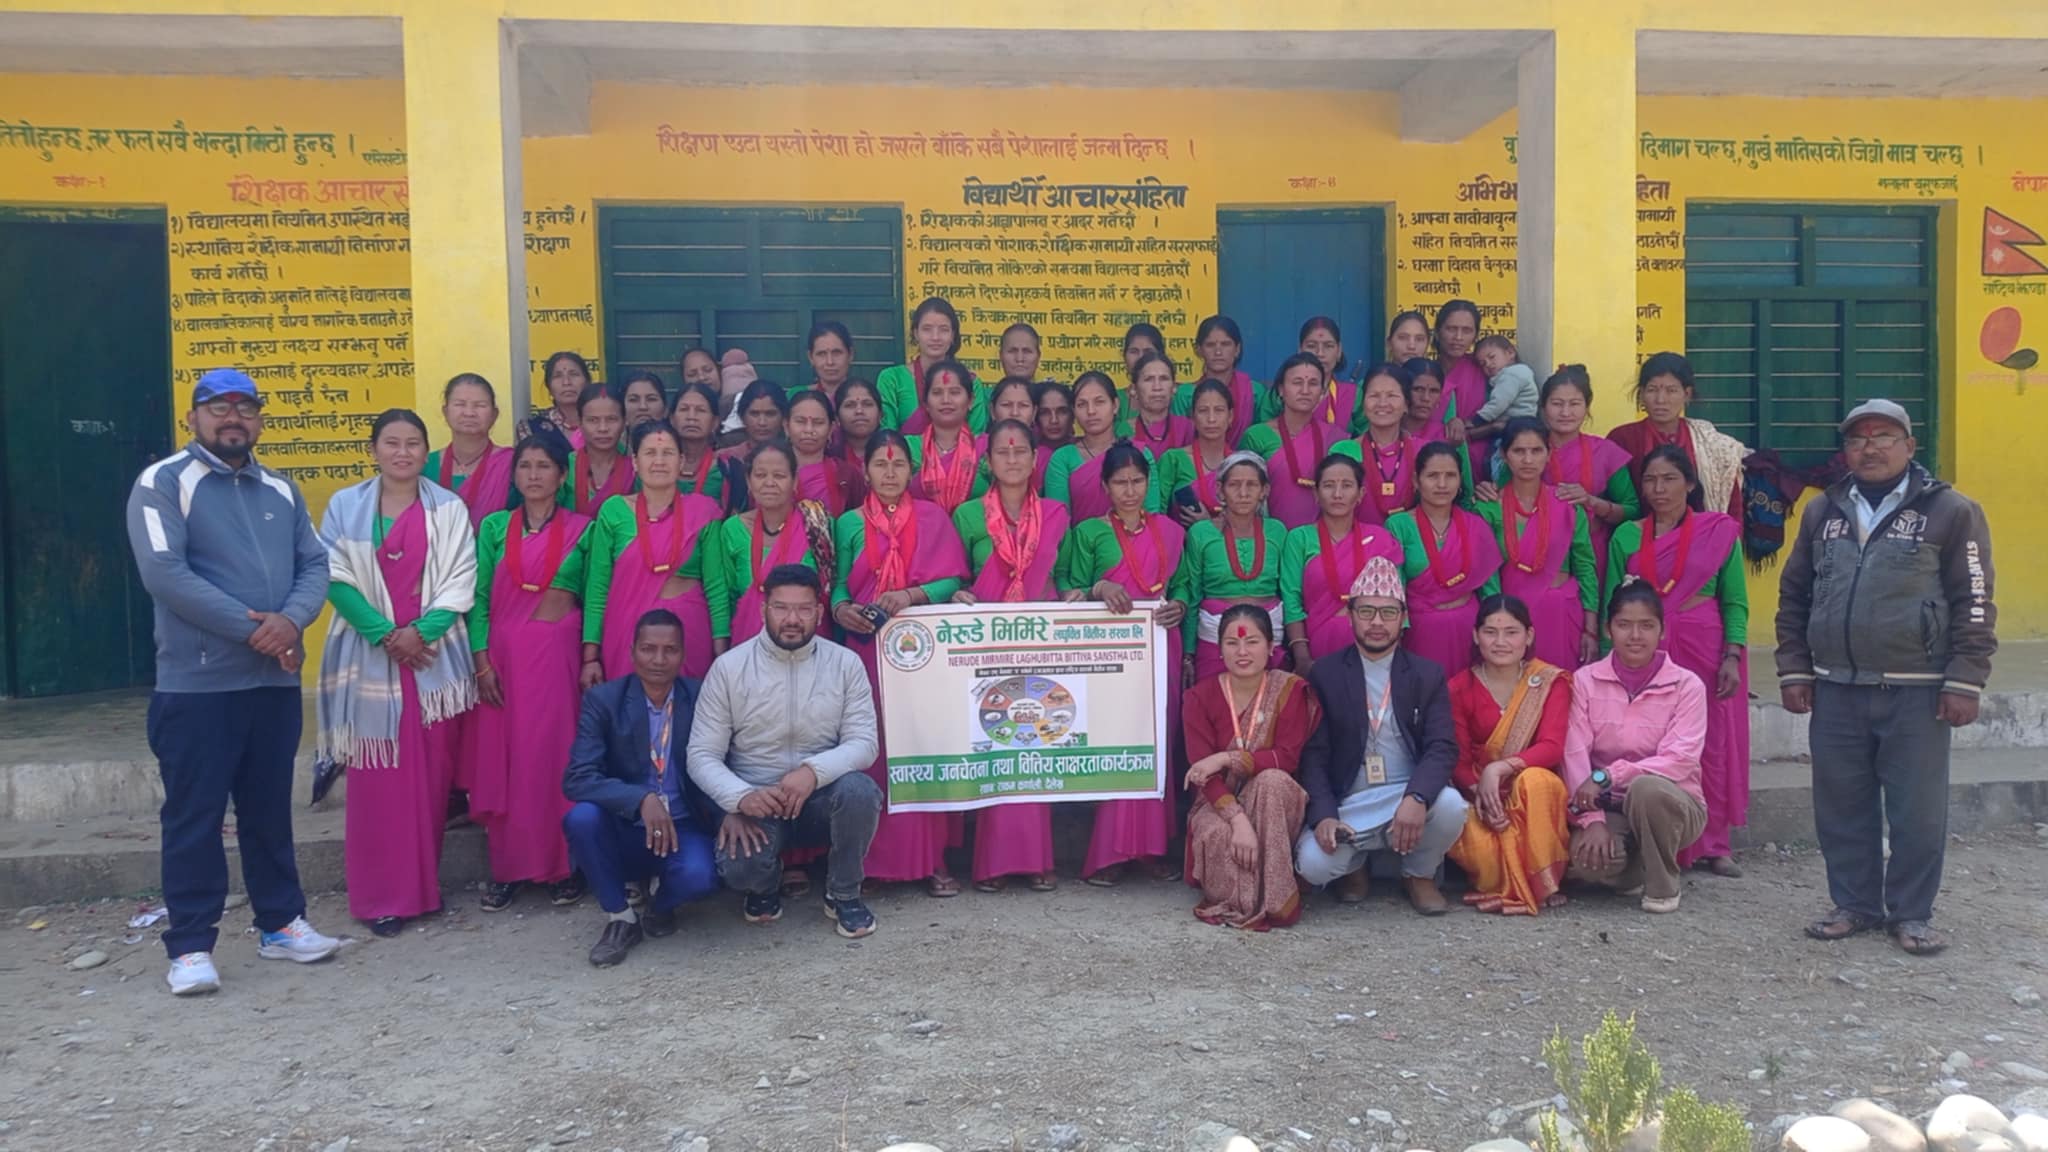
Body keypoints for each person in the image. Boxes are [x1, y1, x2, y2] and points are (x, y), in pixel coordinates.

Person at [126, 368, 339, 995]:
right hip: (197, 686)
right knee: (193, 817)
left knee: (269, 811)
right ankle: (191, 946)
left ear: (259, 419)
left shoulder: (281, 488)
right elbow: (164, 573)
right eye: (218, 407)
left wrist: (291, 620)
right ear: (192, 418)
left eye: (245, 407)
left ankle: (281, 924)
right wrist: (258, 630)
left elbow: (315, 564)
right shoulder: (164, 482)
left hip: (271, 684)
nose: (232, 418)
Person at [1777, 399, 1996, 956]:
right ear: (1845, 450)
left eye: (1883, 437)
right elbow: (1795, 594)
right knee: (1841, 806)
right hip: (1837, 688)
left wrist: (1965, 678)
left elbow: (1974, 600)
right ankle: (1854, 904)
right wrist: (1794, 667)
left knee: (1916, 811)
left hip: (1917, 690)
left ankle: (1912, 914)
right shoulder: (1822, 511)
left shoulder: (1952, 511)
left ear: (1909, 446)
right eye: (1858, 439)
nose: (1869, 448)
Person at [316, 408, 479, 938]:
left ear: (426, 452)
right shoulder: (345, 506)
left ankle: (421, 892)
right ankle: (380, 898)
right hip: (371, 657)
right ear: (374, 450)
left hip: (431, 661)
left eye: (413, 443)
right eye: (391, 442)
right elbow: (333, 576)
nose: (402, 452)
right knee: (377, 782)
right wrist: (387, 635)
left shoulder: (448, 508)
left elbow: (461, 578)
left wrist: (420, 633)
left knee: (428, 783)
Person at [688, 565, 885, 936]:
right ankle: (764, 885)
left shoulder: (845, 664)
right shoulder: (729, 668)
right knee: (739, 869)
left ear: (819, 612)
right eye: (781, 608)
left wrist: (812, 772)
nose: (792, 619)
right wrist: (740, 797)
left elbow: (864, 742)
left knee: (860, 792)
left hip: (821, 796)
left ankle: (843, 892)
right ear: (764, 609)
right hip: (758, 799)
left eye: (804, 609)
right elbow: (701, 754)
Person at [831, 431, 969, 895]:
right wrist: (841, 608)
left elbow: (954, 580)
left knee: (923, 747)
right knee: (873, 749)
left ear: (912, 471)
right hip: (867, 649)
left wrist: (911, 595)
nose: (889, 473)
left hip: (922, 654)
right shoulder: (849, 523)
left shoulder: (932, 517)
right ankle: (871, 863)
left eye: (898, 465)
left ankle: (931, 860)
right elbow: (839, 585)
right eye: (880, 464)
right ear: (865, 470)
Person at [1604, 446, 1749, 877]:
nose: (1659, 489)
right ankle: (1662, 842)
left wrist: (1733, 655)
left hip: (1706, 646)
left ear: (1689, 483)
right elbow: (1614, 603)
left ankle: (1714, 844)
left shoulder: (1717, 531)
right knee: (1653, 743)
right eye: (1650, 480)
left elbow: (1735, 601)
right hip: (1644, 648)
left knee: (1712, 742)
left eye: (1669, 479)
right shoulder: (1626, 536)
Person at [1293, 556, 1467, 914]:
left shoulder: (1426, 674)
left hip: (1404, 794)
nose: (1376, 622)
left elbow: (1442, 747)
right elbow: (1313, 754)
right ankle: (1354, 866)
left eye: (1388, 613)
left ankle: (1418, 874)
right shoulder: (1325, 674)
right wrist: (1324, 815)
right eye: (1366, 611)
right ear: (1350, 615)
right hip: (1351, 800)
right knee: (1312, 864)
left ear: (1403, 618)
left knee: (1451, 806)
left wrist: (1417, 797)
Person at [467, 435, 595, 911]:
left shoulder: (584, 529)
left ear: (562, 476)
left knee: (553, 759)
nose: (534, 475)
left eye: (544, 466)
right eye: (525, 466)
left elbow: (593, 597)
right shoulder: (495, 527)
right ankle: (509, 869)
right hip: (502, 665)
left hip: (557, 664)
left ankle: (564, 868)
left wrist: (590, 656)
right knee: (509, 764)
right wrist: (481, 660)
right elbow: (479, 598)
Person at [1059, 443, 1190, 885]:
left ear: (1149, 484)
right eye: (1120, 482)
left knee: (1156, 744)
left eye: (1137, 481)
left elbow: (1185, 584)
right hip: (1109, 656)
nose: (1129, 490)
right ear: (1105, 487)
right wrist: (1098, 588)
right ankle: (1110, 853)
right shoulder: (1088, 533)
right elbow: (1068, 586)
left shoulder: (1170, 531)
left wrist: (1181, 605)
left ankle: (1152, 850)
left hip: (1160, 646)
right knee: (1117, 745)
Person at [561, 609, 720, 966]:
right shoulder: (605, 701)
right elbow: (577, 777)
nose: (659, 660)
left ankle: (660, 907)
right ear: (632, 651)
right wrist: (640, 798)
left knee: (701, 876)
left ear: (683, 654)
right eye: (649, 649)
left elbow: (724, 762)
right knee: (581, 819)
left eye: (670, 650)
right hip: (628, 826)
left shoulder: (701, 698)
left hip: (683, 826)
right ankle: (621, 918)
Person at [952, 420, 1073, 891]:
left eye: (1021, 450)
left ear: (1035, 458)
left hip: (1040, 642)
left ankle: (1038, 859)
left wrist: (1075, 594)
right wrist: (959, 594)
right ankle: (992, 863)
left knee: (1036, 738)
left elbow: (1066, 575)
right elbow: (957, 574)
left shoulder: (1057, 513)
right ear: (987, 461)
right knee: (995, 740)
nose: (1012, 459)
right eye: (1002, 452)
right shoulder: (967, 516)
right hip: (986, 643)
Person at [1562, 583, 1708, 914]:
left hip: (1672, 804)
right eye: (1624, 625)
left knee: (1646, 788)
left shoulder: (1687, 686)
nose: (1635, 636)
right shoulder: (1585, 681)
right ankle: (1633, 869)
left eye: (1646, 625)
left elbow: (1679, 761)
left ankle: (1662, 885)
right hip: (1609, 804)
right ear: (1608, 629)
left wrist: (1609, 775)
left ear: (1662, 630)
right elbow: (1574, 754)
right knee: (1589, 861)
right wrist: (1593, 820)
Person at [1182, 604, 1322, 930]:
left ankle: (1277, 899)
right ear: (1219, 650)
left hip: (1276, 803)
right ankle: (1244, 901)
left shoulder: (1289, 690)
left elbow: (1287, 758)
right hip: (1218, 803)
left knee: (1272, 780)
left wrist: (1227, 758)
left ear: (1271, 647)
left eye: (1252, 642)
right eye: (1232, 643)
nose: (1242, 652)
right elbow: (1203, 775)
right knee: (1221, 834)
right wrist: (1238, 820)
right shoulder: (1199, 698)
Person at [1444, 595, 1573, 916]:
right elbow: (1458, 760)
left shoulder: (1549, 682)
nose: (1500, 642)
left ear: (1528, 636)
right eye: (1490, 632)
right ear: (1476, 636)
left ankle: (1541, 882)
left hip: (1532, 800)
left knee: (1538, 781)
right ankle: (1509, 884)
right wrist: (1483, 794)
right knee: (1477, 848)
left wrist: (1500, 768)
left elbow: (1552, 745)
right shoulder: (1459, 688)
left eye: (1511, 632)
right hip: (1478, 797)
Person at [583, 421, 728, 685]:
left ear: (681, 461)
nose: (659, 461)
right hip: (628, 630)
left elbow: (716, 585)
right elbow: (598, 586)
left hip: (687, 630)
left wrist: (721, 651)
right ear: (635, 462)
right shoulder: (614, 511)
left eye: (668, 453)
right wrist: (590, 656)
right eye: (650, 453)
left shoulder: (703, 511)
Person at [1476, 366, 1637, 588]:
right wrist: (1486, 491)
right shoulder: (1526, 451)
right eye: (1557, 404)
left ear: (1587, 407)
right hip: (1529, 553)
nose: (1565, 412)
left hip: (1592, 551)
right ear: (1543, 407)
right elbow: (1502, 497)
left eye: (1574, 404)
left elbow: (1633, 509)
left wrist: (1592, 502)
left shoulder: (1606, 452)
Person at [1476, 419, 1599, 670]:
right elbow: (1488, 577)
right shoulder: (1487, 508)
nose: (1528, 460)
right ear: (1504, 455)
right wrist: (1500, 626)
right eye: (1519, 451)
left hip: (1562, 615)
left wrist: (1591, 629)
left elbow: (1585, 567)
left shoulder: (1566, 504)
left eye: (1536, 451)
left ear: (1549, 453)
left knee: (1561, 688)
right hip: (1512, 620)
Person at [1387, 442, 1503, 674]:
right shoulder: (1398, 525)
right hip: (1419, 631)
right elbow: (1395, 588)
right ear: (1416, 480)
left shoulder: (1476, 525)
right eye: (1432, 476)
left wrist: (1495, 631)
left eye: (1450, 476)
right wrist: (1396, 633)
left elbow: (1491, 590)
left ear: (1460, 481)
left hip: (1468, 628)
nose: (1442, 484)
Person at [1282, 453, 1402, 664]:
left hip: (1373, 640)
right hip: (1319, 640)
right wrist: (1301, 655)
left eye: (1347, 485)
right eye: (1329, 485)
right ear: (1316, 493)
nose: (1337, 494)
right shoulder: (1299, 538)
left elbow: (1396, 598)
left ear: (1360, 494)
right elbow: (1291, 599)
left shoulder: (1380, 538)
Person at [1178, 452, 1287, 681]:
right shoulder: (1201, 533)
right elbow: (1193, 594)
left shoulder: (1277, 531)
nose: (1243, 493)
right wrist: (1188, 654)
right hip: (1213, 634)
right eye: (1235, 485)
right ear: (1220, 490)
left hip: (1270, 631)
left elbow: (1288, 592)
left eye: (1252, 485)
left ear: (1264, 490)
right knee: (1215, 697)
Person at [716, 441, 830, 647]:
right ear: (748, 481)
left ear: (795, 481)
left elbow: (832, 585)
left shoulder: (817, 525)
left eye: (779, 476)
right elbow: (726, 596)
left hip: (809, 642)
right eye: (760, 475)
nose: (769, 483)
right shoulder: (732, 529)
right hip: (748, 643)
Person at [1608, 352, 1746, 519]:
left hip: (1701, 532)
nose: (1661, 399)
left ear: (1687, 394)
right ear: (1642, 394)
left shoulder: (1714, 445)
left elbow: (1732, 504)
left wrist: (1727, 533)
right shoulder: (1622, 439)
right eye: (1652, 390)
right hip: (1640, 532)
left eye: (1671, 390)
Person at [1046, 372, 1161, 522]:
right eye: (1082, 404)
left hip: (1135, 537)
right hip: (1081, 537)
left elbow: (1152, 516)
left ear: (1115, 405)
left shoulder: (1140, 453)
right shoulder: (1063, 458)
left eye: (1099, 402)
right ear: (1074, 411)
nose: (1091, 411)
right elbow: (1058, 521)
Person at [1241, 353, 1337, 529]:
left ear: (1323, 392)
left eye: (1313, 383)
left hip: (1319, 537)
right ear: (1281, 389)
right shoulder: (1257, 436)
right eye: (1297, 382)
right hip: (1268, 534)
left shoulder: (1335, 438)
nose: (1305, 391)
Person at [881, 296, 987, 433]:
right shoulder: (892, 379)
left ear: (953, 335)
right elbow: (887, 436)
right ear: (916, 333)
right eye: (927, 329)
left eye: (944, 329)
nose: (935, 337)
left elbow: (976, 438)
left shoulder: (971, 382)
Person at [424, 373, 515, 530]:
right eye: (460, 404)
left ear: (494, 414)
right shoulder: (425, 466)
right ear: (445, 412)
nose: (469, 413)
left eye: (480, 405)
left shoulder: (513, 463)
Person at [1343, 362, 1423, 528]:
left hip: (1411, 539)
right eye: (1374, 395)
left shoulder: (1423, 452)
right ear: (1363, 403)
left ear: (1406, 405)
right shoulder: (1344, 452)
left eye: (1392, 395)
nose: (1382, 403)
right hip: (1358, 541)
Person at [908, 359, 987, 512]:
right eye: (937, 393)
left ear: (970, 401)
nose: (946, 400)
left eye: (955, 392)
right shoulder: (908, 448)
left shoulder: (987, 448)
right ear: (926, 403)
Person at [1156, 378, 1236, 526]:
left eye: (1219, 410)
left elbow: (1252, 521)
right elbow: (1156, 516)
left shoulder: (1240, 464)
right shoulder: (1173, 460)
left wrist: (1209, 524)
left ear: (1230, 416)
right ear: (1192, 417)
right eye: (1203, 411)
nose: (1211, 419)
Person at [1174, 315, 1259, 445]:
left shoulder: (1254, 392)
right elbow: (1178, 438)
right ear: (1199, 350)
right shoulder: (1185, 395)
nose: (1218, 352)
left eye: (1225, 344)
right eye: (1210, 345)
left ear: (1237, 349)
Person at [1429, 300, 1490, 472]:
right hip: (1433, 459)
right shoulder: (1425, 373)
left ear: (1476, 336)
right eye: (1451, 329)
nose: (1458, 337)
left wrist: (1466, 429)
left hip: (1480, 461)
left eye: (1467, 331)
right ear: (1438, 331)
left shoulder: (1485, 369)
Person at [561, 384, 636, 515]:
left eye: (611, 419)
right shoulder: (565, 466)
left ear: (624, 422)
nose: (603, 428)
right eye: (593, 420)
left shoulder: (636, 468)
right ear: (580, 423)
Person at [786, 388, 857, 518]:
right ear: (786, 426)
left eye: (818, 423)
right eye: (800, 421)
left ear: (831, 429)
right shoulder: (770, 473)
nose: (809, 430)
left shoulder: (847, 474)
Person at [717, 379, 789, 505]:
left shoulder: (794, 458)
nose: (762, 422)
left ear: (783, 418)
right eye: (754, 414)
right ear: (742, 417)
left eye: (770, 414)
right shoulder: (725, 458)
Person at [1468, 334, 1538, 459]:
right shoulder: (1509, 375)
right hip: (1516, 424)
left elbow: (1498, 403)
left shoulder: (1512, 375)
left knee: (1497, 460)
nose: (1488, 364)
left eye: (1492, 357)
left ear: (1510, 353)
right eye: (1483, 364)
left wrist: (1477, 420)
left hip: (1517, 425)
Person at [667, 380, 728, 507]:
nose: (691, 416)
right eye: (684, 409)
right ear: (672, 419)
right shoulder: (656, 465)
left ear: (715, 422)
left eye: (701, 410)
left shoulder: (726, 470)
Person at [1125, 349, 1195, 454]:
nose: (1157, 387)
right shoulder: (1123, 430)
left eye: (1164, 378)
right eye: (1149, 379)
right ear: (1134, 389)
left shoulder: (1187, 428)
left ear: (1174, 387)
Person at [986, 376, 1051, 489]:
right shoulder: (974, 448)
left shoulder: (1047, 457)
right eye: (1006, 405)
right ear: (992, 411)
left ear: (1034, 412)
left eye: (1023, 405)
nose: (1015, 413)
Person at [830, 378, 884, 508]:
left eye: (867, 404)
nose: (859, 411)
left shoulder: (895, 453)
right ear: (837, 418)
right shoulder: (828, 457)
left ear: (880, 415)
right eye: (850, 405)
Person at [526, 350, 590, 447]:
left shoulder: (603, 422)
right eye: (558, 376)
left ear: (587, 382)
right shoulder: (532, 428)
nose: (566, 382)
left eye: (574, 374)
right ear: (549, 387)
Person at [805, 320, 856, 399]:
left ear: (850, 354)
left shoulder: (865, 399)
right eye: (822, 354)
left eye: (836, 353)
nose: (830, 362)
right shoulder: (796, 397)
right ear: (810, 357)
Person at [1033, 379, 1075, 454]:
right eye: (1044, 413)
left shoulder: (1086, 452)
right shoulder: (1026, 453)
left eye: (1062, 411)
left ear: (1073, 414)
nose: (1054, 420)